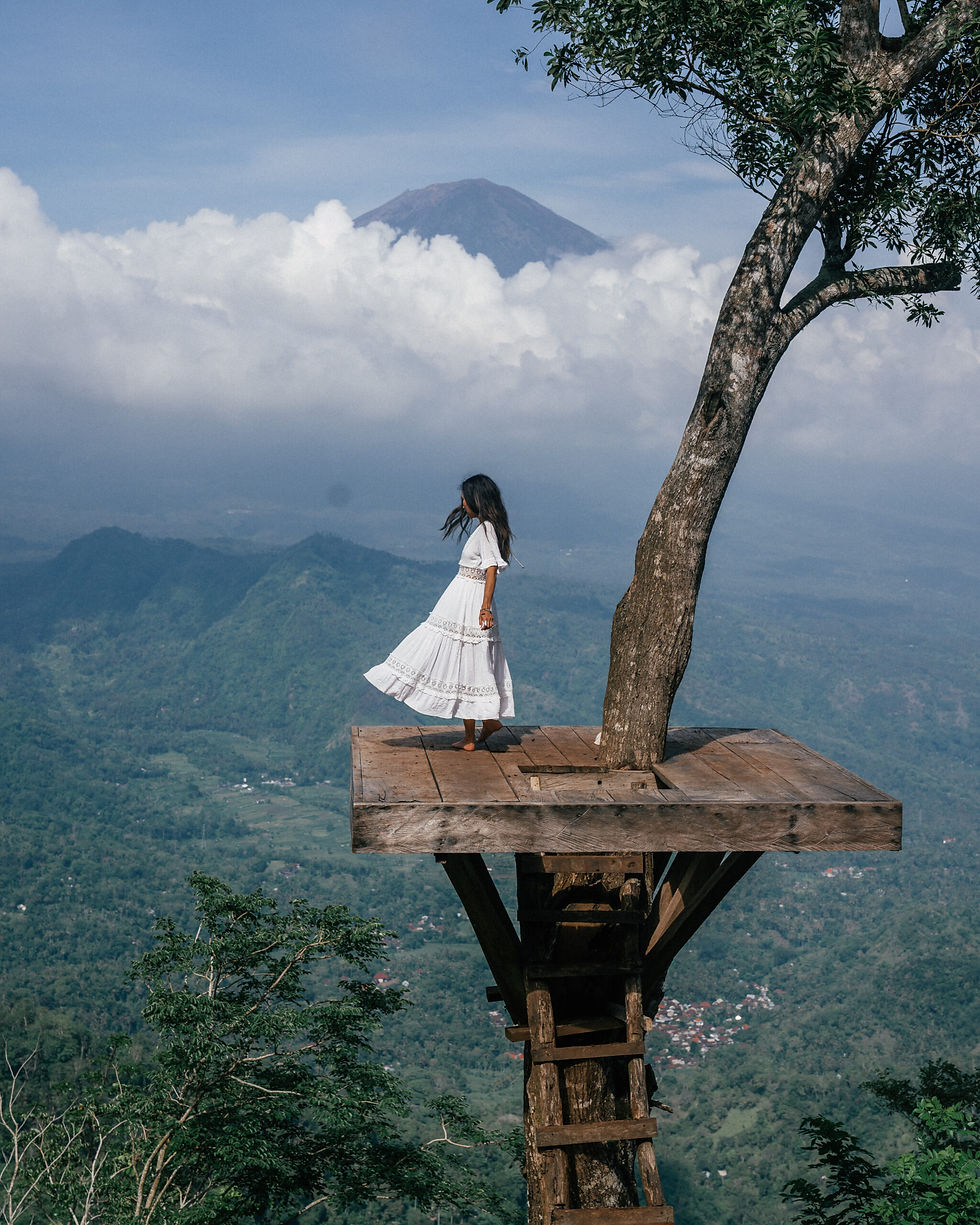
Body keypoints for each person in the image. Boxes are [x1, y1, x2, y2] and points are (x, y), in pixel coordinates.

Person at [364, 474, 515, 750]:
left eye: (464, 500)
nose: (462, 505)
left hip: (471, 601)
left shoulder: (486, 531)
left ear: (476, 499)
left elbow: (491, 569)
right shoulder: (483, 528)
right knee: (466, 662)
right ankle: (472, 735)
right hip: (462, 598)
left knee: (469, 660)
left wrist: (484, 608)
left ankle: (485, 723)